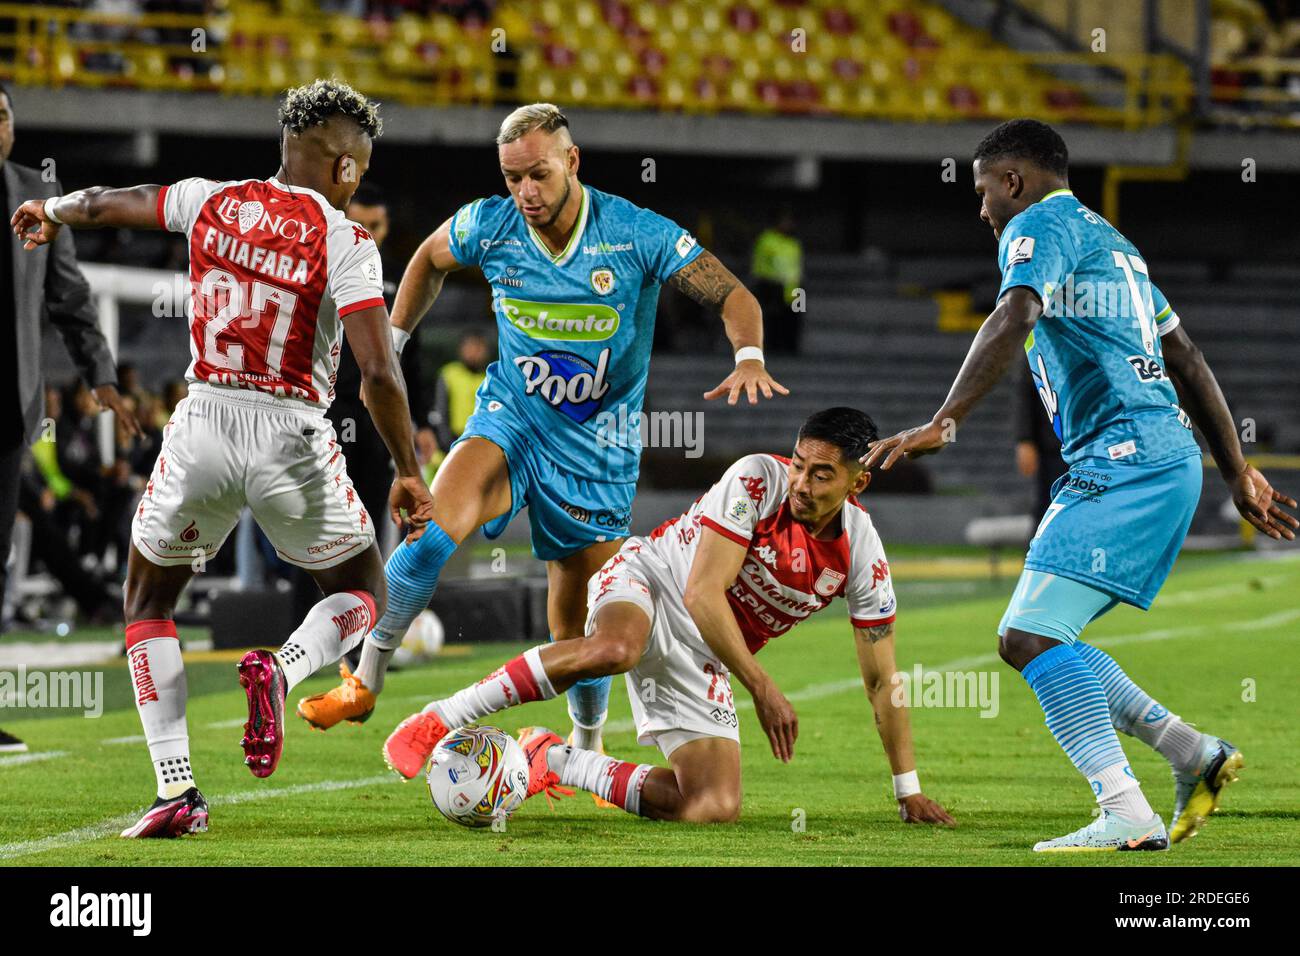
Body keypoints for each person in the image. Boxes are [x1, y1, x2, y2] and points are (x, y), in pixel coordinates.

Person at [299, 103, 787, 769]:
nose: (526, 193)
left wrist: (749, 357)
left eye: (538, 175)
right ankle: (364, 679)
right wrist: (395, 339)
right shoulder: (491, 225)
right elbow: (427, 258)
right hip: (514, 422)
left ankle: (583, 749)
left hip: (598, 452)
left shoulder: (633, 232)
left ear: (572, 162)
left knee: (577, 628)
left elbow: (733, 294)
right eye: (512, 178)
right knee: (428, 533)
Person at [11, 78, 435, 838]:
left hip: (202, 422)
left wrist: (53, 208)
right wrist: (406, 468)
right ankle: (282, 668)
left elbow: (111, 199)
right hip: (293, 434)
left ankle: (175, 788)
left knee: (148, 604)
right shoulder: (346, 241)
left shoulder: (210, 199)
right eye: (359, 166)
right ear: (343, 168)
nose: (359, 179)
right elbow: (377, 373)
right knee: (363, 591)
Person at [863, 119, 1297, 851]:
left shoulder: (1036, 226)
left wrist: (944, 421)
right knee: (1039, 635)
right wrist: (1234, 470)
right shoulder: (1115, 245)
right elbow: (1185, 354)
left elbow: (1015, 312)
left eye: (982, 192)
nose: (981, 210)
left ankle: (1125, 810)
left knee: (1027, 636)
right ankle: (1194, 753)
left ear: (1012, 182)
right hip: (1163, 459)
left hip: (1122, 461)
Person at [385, 408, 954, 825]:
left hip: (705, 652)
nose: (801, 484)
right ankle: (437, 717)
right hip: (651, 580)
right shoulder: (757, 479)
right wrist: (762, 687)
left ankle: (554, 759)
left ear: (860, 482)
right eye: (800, 465)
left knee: (712, 806)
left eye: (821, 475)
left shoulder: (863, 556)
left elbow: (883, 680)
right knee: (616, 648)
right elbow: (703, 594)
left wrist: (907, 789)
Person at [0, 81, 139, 755]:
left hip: (9, 409)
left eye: (1, 115)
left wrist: (104, 378)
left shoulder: (36, 197)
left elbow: (72, 302)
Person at [750, 208, 803, 354]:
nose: (789, 225)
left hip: (796, 290)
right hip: (773, 287)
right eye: (786, 221)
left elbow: (796, 266)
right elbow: (760, 266)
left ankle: (792, 348)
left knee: (795, 319)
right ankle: (773, 349)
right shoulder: (767, 240)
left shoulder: (793, 243)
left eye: (791, 222)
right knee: (773, 319)